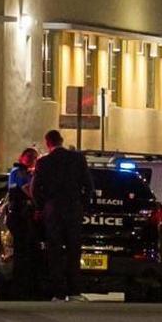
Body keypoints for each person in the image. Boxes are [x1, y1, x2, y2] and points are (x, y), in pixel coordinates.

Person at [32, 130, 95, 303]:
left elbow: (35, 189)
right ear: (61, 140)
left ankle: (58, 293)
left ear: (48, 143)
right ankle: (74, 291)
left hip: (53, 211)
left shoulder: (43, 162)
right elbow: (89, 185)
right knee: (74, 251)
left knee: (55, 252)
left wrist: (42, 207)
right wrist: (82, 204)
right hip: (73, 209)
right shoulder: (77, 159)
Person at [7, 147, 40, 298]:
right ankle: (20, 287)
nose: (31, 159)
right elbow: (27, 190)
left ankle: (27, 285)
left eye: (34, 157)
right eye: (29, 156)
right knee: (21, 252)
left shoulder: (28, 173)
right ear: (22, 157)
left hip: (24, 216)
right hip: (19, 216)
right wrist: (40, 202)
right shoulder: (18, 172)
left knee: (27, 251)